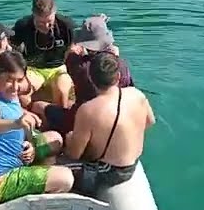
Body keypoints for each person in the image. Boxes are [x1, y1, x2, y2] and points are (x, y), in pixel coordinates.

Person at [0, 50, 74, 202]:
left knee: (55, 139)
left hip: (18, 158)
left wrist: (30, 145)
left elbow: (13, 118)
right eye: (9, 80)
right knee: (65, 178)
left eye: (19, 80)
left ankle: (38, 176)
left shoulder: (8, 94)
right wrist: (15, 123)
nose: (15, 87)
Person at [63, 50, 154, 197]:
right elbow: (150, 122)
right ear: (118, 77)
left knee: (53, 163)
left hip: (108, 171)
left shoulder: (88, 110)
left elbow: (74, 154)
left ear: (90, 78)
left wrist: (69, 140)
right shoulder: (137, 94)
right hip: (133, 163)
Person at [42, 15, 134, 135]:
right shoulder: (122, 65)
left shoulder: (79, 65)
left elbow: (68, 56)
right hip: (115, 117)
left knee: (40, 106)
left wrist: (73, 48)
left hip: (80, 120)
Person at [10, 0, 75, 107]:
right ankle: (33, 113)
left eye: (49, 22)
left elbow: (72, 46)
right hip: (34, 68)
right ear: (33, 14)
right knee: (22, 93)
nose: (45, 26)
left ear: (55, 12)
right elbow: (12, 47)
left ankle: (59, 116)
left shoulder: (66, 25)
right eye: (40, 23)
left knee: (62, 91)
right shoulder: (23, 25)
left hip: (58, 68)